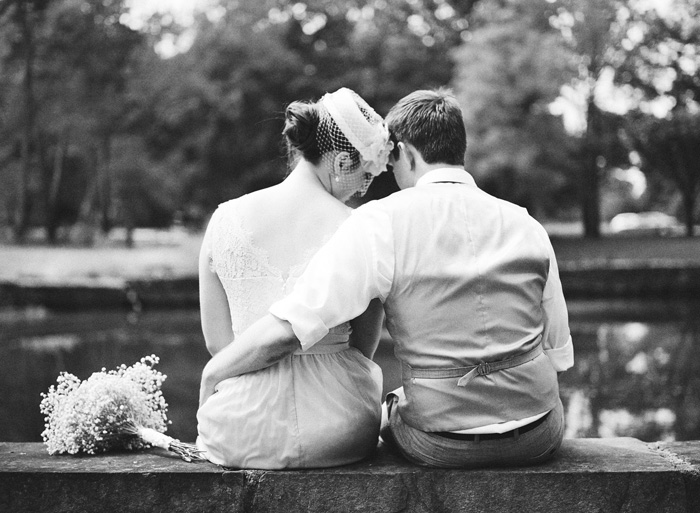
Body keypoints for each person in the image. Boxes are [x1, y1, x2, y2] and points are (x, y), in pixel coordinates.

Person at [199, 88, 574, 469]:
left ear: (407, 153)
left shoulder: (381, 223)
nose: (386, 177)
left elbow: (291, 325)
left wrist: (216, 372)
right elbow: (559, 352)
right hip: (537, 436)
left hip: (440, 443)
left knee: (395, 406)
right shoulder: (527, 224)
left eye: (392, 161)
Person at [196, 87, 394, 469]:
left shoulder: (225, 220)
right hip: (340, 427)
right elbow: (362, 347)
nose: (364, 188)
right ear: (339, 161)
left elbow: (217, 343)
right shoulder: (360, 229)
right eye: (365, 174)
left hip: (241, 427)